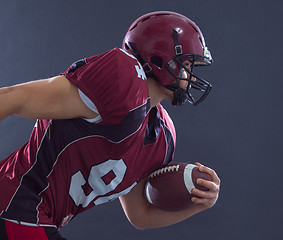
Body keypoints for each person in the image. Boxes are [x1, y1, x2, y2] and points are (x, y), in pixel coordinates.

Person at [0, 11, 220, 239]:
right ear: (159, 59)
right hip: (13, 203)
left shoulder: (162, 137)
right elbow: (11, 98)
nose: (192, 77)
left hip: (36, 217)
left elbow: (140, 215)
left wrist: (200, 204)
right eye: (186, 64)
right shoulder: (122, 81)